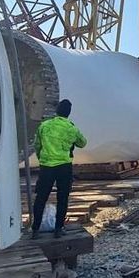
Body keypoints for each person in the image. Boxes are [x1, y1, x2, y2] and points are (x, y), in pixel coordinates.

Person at [31, 99, 87, 239]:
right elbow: (83, 143)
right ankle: (58, 228)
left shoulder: (44, 125)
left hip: (46, 166)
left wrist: (42, 158)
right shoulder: (71, 128)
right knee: (62, 197)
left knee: (41, 197)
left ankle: (35, 230)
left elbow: (37, 145)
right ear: (68, 113)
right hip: (64, 166)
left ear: (56, 110)